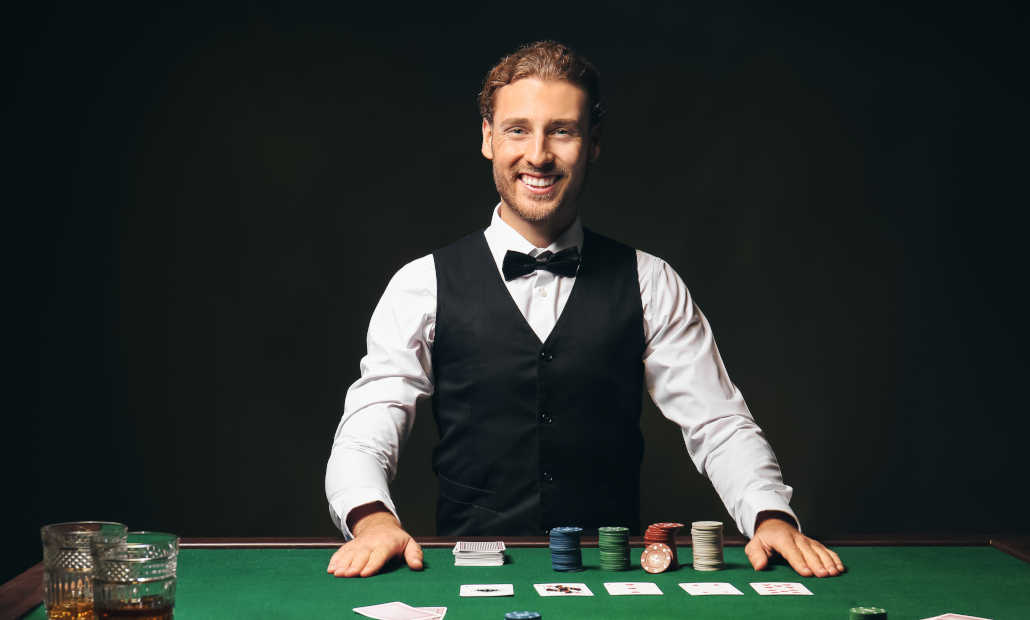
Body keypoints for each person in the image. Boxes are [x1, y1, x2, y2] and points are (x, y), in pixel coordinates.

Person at [325, 41, 844, 580]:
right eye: (518, 129)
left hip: (613, 578)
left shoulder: (650, 280)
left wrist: (769, 515)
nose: (538, 155)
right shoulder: (420, 284)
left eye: (562, 131)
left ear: (592, 143)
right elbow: (368, 425)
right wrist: (371, 519)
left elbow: (717, 422)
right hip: (469, 576)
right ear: (487, 137)